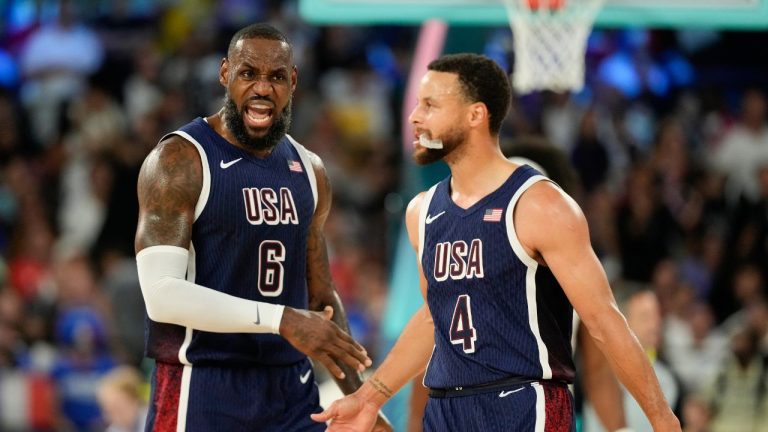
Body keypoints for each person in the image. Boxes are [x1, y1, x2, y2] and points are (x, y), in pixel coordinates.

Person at [312, 53, 681, 431]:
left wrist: (662, 419)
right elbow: (434, 317)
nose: (414, 117)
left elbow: (604, 321)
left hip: (523, 403)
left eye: (430, 105)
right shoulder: (421, 211)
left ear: (476, 115)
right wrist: (369, 397)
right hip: (447, 409)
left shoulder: (540, 204)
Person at [134, 23, 390, 431]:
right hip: (203, 381)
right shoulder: (180, 159)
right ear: (225, 74)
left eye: (276, 77)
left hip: (290, 389)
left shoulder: (310, 170)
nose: (262, 88)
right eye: (248, 73)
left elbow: (322, 298)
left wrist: (362, 400)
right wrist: (281, 319)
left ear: (293, 82)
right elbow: (161, 296)